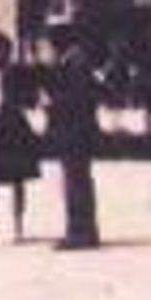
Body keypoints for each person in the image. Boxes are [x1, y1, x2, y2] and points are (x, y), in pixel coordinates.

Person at [0, 30, 41, 244]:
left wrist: (17, 102)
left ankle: (18, 228)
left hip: (14, 128)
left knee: (17, 179)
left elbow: (30, 98)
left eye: (0, 50)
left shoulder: (17, 72)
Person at [46, 21, 102, 250]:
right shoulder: (73, 60)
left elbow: (78, 98)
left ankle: (80, 231)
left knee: (76, 181)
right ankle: (81, 228)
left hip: (75, 130)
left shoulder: (75, 63)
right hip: (73, 130)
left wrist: (53, 103)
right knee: (76, 180)